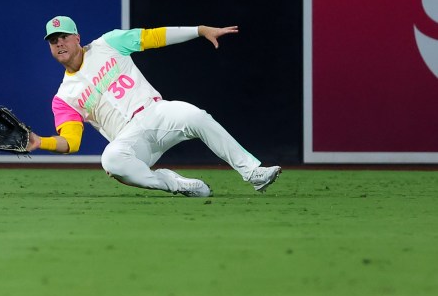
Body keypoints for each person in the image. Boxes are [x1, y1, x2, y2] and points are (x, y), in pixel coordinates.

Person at [26, 16, 281, 197]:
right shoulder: (64, 97)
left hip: (156, 113)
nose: (59, 43)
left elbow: (154, 36)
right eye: (53, 40)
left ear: (77, 38)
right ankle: (173, 183)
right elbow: (71, 142)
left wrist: (200, 30)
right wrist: (40, 142)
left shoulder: (109, 44)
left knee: (196, 115)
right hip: (130, 140)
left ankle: (253, 173)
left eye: (64, 37)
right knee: (110, 160)